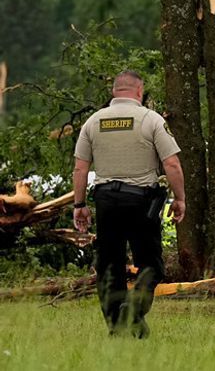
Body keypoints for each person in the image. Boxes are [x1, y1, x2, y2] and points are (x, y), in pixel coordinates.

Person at [72, 70, 186, 338]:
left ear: (114, 91)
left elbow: (80, 168)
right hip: (141, 202)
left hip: (106, 201)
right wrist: (179, 198)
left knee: (109, 265)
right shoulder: (151, 119)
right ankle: (133, 311)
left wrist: (79, 204)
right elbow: (171, 163)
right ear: (139, 91)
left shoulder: (93, 121)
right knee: (151, 265)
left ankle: (116, 325)